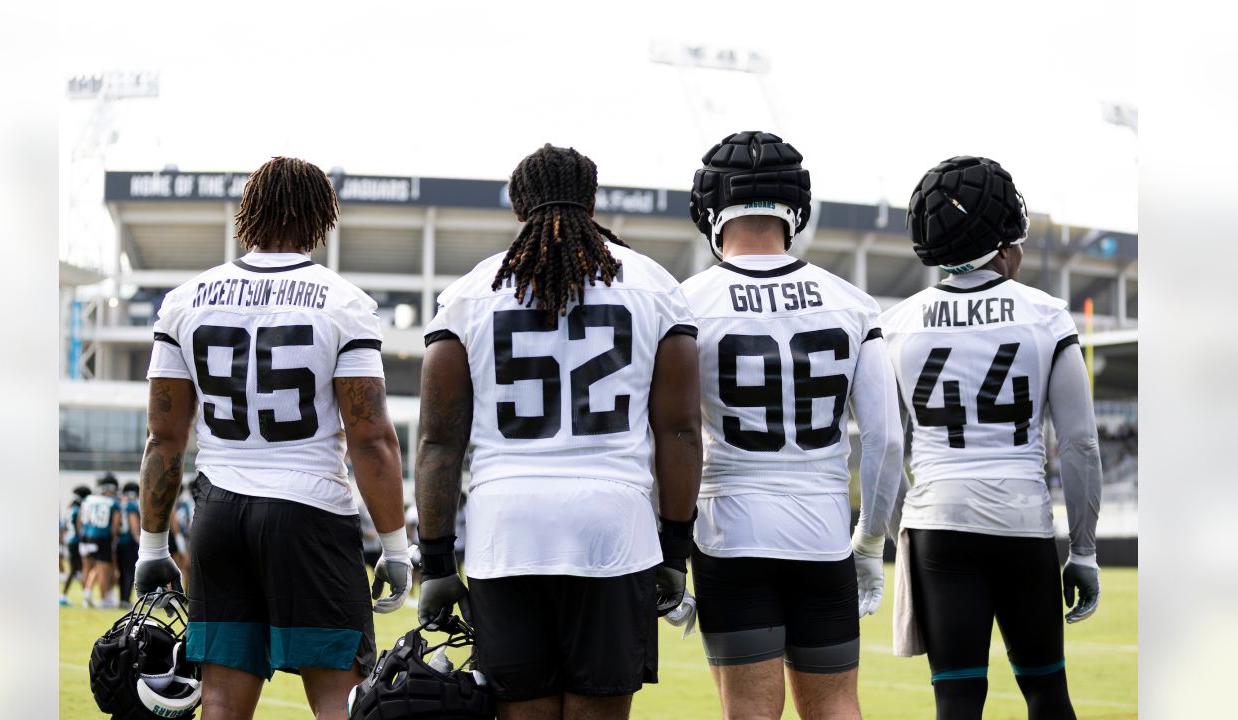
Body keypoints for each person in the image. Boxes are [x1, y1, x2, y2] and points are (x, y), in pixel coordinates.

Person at [414, 144, 703, 720]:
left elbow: (438, 443)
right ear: (592, 202)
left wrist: (438, 560)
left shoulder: (469, 294)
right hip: (613, 529)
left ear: (519, 209)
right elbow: (679, 432)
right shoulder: (653, 285)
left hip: (507, 531)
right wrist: (674, 549)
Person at [132, 156, 413, 720]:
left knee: (221, 703)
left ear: (248, 213)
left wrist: (153, 546)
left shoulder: (185, 300)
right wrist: (397, 546)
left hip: (220, 512)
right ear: (320, 219)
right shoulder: (343, 301)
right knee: (341, 700)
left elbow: (164, 439)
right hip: (309, 512)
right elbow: (371, 439)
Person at [680, 131, 905, 720]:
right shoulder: (852, 303)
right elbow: (885, 441)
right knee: (836, 708)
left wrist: (667, 546)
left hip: (728, 532)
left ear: (709, 208)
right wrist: (870, 540)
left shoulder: (685, 302)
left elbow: (667, 431)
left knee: (750, 713)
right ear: (796, 209)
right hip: (822, 532)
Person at [880, 156, 1102, 720]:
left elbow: (883, 443)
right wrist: (1083, 549)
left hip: (937, 521)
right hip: (1020, 520)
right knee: (1048, 694)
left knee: (957, 698)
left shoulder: (898, 322)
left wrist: (897, 524)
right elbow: (1079, 445)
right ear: (1004, 246)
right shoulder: (1047, 316)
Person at [79, 474, 121, 608]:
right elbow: (115, 524)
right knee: (103, 569)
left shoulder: (88, 500)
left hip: (86, 536)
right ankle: (103, 599)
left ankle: (86, 593)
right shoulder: (113, 502)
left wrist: (83, 534)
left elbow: (79, 520)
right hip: (102, 537)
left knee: (88, 568)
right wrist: (114, 537)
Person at [61, 485, 90, 605]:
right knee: (75, 569)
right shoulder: (78, 510)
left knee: (78, 569)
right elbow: (80, 527)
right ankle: (65, 595)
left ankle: (86, 594)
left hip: (70, 541)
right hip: (76, 542)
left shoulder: (69, 509)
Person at [115, 482, 141, 607]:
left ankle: (122, 599)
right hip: (129, 542)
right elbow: (133, 524)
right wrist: (138, 539)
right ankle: (125, 599)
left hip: (119, 541)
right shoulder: (131, 504)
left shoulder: (119, 503)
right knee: (129, 572)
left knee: (122, 571)